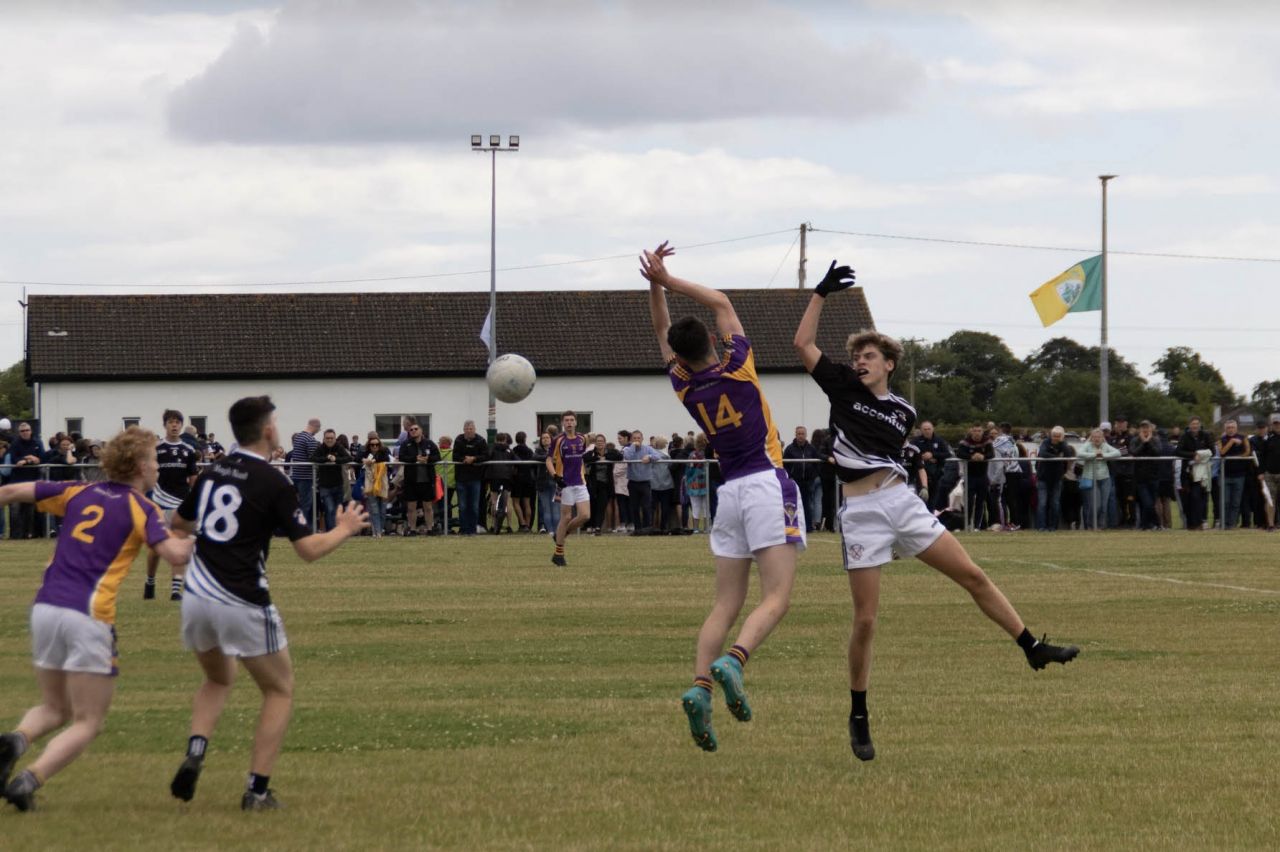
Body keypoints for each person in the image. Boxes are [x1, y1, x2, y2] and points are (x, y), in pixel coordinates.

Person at [791, 257, 1079, 762]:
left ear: (889, 364)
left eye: (870, 355)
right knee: (865, 621)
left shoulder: (903, 410)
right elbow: (801, 345)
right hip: (861, 512)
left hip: (900, 503)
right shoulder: (839, 386)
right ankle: (859, 712)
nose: (859, 360)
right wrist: (819, 294)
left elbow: (882, 443)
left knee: (973, 575)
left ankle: (1032, 647)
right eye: (856, 355)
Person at [640, 241, 805, 753]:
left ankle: (699, 687)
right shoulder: (737, 365)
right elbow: (722, 301)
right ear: (713, 339)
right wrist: (670, 280)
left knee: (724, 603)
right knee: (776, 598)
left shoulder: (685, 385)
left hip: (728, 492)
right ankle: (734, 661)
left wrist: (654, 286)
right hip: (765, 481)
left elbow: (662, 335)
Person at [168, 396, 368, 811]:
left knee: (219, 679)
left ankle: (197, 748)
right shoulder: (275, 482)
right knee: (279, 690)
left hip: (195, 596)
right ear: (267, 431)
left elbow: (180, 524)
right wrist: (345, 528)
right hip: (240, 598)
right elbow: (308, 549)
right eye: (274, 421)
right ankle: (257, 791)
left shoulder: (212, 471)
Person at [0, 427, 193, 811]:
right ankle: (27, 782)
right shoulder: (142, 507)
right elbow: (173, 554)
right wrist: (195, 540)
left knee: (56, 708)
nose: (157, 467)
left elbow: (7, 493)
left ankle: (14, 742)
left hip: (45, 608)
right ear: (140, 465)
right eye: (154, 460)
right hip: (87, 615)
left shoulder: (78, 491)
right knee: (88, 721)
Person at [144, 410, 200, 601]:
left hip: (181, 503)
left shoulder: (189, 450)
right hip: (159, 504)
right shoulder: (156, 449)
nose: (174, 425)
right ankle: (150, 582)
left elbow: (193, 479)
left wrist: (197, 498)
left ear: (182, 425)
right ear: (165, 425)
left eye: (177, 422)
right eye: (171, 422)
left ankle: (176, 590)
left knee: (180, 543)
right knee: (155, 548)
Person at [547, 412, 591, 564]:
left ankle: (561, 534)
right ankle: (558, 554)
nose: (569, 423)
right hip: (564, 484)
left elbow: (588, 445)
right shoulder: (558, 440)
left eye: (572, 420)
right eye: (566, 420)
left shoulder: (582, 438)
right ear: (562, 423)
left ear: (576, 422)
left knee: (585, 515)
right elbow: (548, 460)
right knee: (566, 517)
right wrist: (555, 476)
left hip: (580, 483)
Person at [398, 420, 439, 536]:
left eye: (416, 429)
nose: (413, 431)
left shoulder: (429, 443)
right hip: (411, 480)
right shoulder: (406, 444)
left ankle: (430, 528)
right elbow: (402, 457)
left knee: (428, 506)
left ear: (421, 431)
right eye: (411, 430)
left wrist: (428, 460)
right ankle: (412, 529)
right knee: (411, 507)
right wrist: (415, 459)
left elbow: (437, 457)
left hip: (426, 480)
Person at [6, 423, 43, 539]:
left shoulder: (37, 443)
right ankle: (15, 535)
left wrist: (36, 459)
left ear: (31, 431)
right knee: (15, 509)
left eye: (27, 430)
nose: (25, 432)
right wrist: (27, 460)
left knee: (30, 510)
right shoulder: (15, 444)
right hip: (17, 481)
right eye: (22, 431)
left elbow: (43, 458)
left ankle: (28, 534)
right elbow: (14, 459)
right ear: (19, 433)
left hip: (32, 481)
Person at [310, 428, 351, 533]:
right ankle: (331, 532)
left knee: (338, 510)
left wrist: (336, 459)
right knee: (329, 509)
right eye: (327, 438)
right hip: (325, 486)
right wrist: (327, 458)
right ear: (324, 438)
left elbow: (349, 458)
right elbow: (312, 458)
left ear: (335, 438)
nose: (329, 440)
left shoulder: (339, 447)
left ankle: (337, 532)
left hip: (338, 484)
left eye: (331, 438)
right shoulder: (320, 448)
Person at [1177, 417, 1214, 530]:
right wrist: (1193, 455)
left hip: (1202, 473)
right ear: (1189, 425)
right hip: (1187, 473)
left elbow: (1212, 451)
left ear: (1199, 425)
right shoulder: (1184, 437)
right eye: (1193, 424)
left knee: (1198, 497)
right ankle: (1190, 524)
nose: (1195, 426)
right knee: (1187, 499)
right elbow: (1178, 451)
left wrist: (1200, 455)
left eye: (1197, 424)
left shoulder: (1206, 436)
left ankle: (1199, 522)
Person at [1079, 428, 1120, 529]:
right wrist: (1094, 455)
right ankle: (1090, 525)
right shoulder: (1087, 445)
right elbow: (1079, 454)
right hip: (1091, 478)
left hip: (1105, 478)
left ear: (1102, 438)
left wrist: (1103, 455)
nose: (1096, 439)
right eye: (1094, 437)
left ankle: (1101, 526)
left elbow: (1118, 453)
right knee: (1095, 505)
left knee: (1104, 505)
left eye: (1099, 437)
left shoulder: (1105, 446)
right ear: (1091, 438)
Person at [622, 430, 662, 534]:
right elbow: (627, 457)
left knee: (646, 506)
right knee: (634, 507)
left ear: (642, 439)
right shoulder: (627, 449)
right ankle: (637, 529)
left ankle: (647, 528)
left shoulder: (648, 449)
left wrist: (649, 457)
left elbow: (658, 456)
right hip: (633, 482)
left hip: (645, 482)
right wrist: (633, 447)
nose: (636, 440)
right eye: (634, 438)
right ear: (631, 439)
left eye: (638, 438)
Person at [783, 426, 822, 532]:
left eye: (802, 434)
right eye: (798, 434)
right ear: (795, 435)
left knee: (807, 505)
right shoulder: (789, 449)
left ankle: (808, 527)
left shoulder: (811, 448)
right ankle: (793, 526)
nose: (800, 436)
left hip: (808, 481)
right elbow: (785, 465)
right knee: (793, 504)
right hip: (794, 481)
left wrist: (813, 475)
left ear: (806, 435)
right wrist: (789, 477)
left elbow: (817, 462)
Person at [452, 421, 488, 536]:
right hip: (461, 478)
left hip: (475, 478)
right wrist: (464, 459)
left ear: (474, 429)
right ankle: (463, 529)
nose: (469, 430)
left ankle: (472, 530)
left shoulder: (481, 441)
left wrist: (474, 459)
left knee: (474, 506)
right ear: (463, 430)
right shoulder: (458, 440)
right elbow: (455, 456)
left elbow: (486, 456)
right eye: (467, 428)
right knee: (462, 506)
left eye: (471, 428)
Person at [1036, 427, 1075, 531]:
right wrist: (1057, 457)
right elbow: (1043, 453)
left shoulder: (1063, 444)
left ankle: (1053, 526)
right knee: (1042, 503)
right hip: (1043, 477)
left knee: (1055, 503)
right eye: (1054, 436)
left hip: (1057, 478)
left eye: (1058, 436)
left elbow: (1068, 455)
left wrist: (1062, 444)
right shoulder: (1045, 442)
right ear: (1050, 435)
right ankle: (1041, 526)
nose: (1056, 438)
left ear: (1062, 437)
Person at [911, 421, 953, 510]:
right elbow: (910, 454)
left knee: (933, 503)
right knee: (922, 502)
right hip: (921, 477)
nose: (927, 431)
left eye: (929, 429)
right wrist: (922, 457)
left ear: (933, 429)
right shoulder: (916, 441)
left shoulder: (939, 441)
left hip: (936, 476)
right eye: (925, 429)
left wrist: (933, 455)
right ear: (921, 430)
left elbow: (948, 454)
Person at [1217, 419, 1250, 529]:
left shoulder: (1243, 437)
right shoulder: (1221, 439)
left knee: (1236, 502)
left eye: (1232, 427)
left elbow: (1247, 452)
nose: (1230, 430)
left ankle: (1232, 524)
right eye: (1228, 428)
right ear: (1225, 429)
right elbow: (1222, 452)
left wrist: (1240, 457)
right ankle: (1224, 523)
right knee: (1225, 501)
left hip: (1240, 475)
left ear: (1236, 428)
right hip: (1225, 475)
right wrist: (1231, 442)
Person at [290, 418, 321, 529]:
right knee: (306, 506)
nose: (318, 431)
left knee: (300, 505)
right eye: (318, 429)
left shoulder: (298, 437)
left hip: (296, 475)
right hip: (306, 477)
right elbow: (314, 458)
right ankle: (302, 530)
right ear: (316, 426)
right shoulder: (310, 439)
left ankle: (302, 528)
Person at [362, 433, 391, 538]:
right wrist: (364, 460)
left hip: (382, 483)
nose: (374, 447)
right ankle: (378, 532)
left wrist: (372, 461)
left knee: (383, 510)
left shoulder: (384, 451)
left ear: (379, 444)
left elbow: (387, 459)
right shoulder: (365, 453)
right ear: (369, 445)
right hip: (370, 482)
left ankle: (379, 530)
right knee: (374, 509)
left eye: (376, 444)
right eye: (372, 445)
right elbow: (356, 458)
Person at [510, 431, 536, 533]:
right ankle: (528, 525)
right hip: (528, 478)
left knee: (516, 502)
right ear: (525, 438)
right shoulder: (529, 451)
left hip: (517, 479)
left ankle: (522, 523)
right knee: (527, 502)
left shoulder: (514, 451)